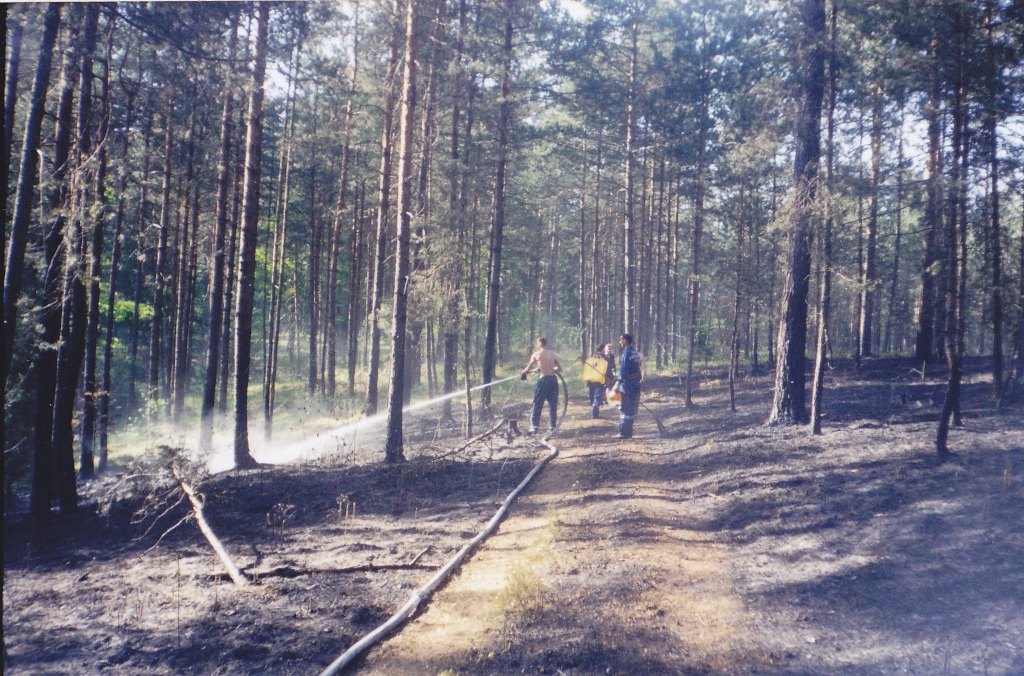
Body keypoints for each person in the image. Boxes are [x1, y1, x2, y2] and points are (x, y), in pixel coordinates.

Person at [521, 337, 563, 433]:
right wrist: (550, 369)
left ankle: (534, 427)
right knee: (552, 404)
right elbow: (559, 369)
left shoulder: (536, 354)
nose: (536, 345)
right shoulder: (552, 354)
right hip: (553, 379)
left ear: (540, 344)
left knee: (537, 403)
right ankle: (552, 427)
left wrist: (522, 372)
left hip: (543, 380)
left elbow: (528, 369)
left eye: (537, 343)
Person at [612, 333, 643, 439]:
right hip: (634, 385)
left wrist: (617, 384)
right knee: (631, 409)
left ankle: (623, 432)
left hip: (627, 386)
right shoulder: (635, 353)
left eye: (621, 340)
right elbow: (638, 370)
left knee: (624, 409)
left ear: (625, 340)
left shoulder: (626, 354)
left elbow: (624, 372)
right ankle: (629, 432)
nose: (620, 342)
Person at [582, 344, 611, 418]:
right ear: (603, 349)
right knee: (597, 396)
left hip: (591, 380)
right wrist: (610, 379)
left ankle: (594, 411)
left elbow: (586, 369)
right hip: (599, 380)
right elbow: (608, 370)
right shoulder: (605, 359)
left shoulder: (591, 358)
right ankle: (595, 414)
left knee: (592, 396)